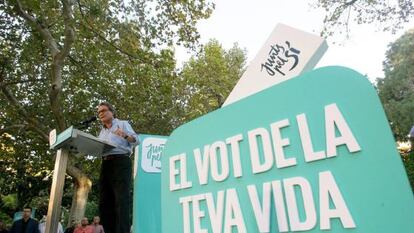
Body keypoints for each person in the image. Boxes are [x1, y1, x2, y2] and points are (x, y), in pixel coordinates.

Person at [96, 102, 138, 233]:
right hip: (106, 163)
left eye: (103, 110)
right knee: (105, 201)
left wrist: (124, 135)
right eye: (99, 112)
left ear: (112, 112)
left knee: (121, 200)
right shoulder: (102, 131)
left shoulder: (123, 124)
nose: (100, 114)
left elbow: (136, 141)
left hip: (121, 162)